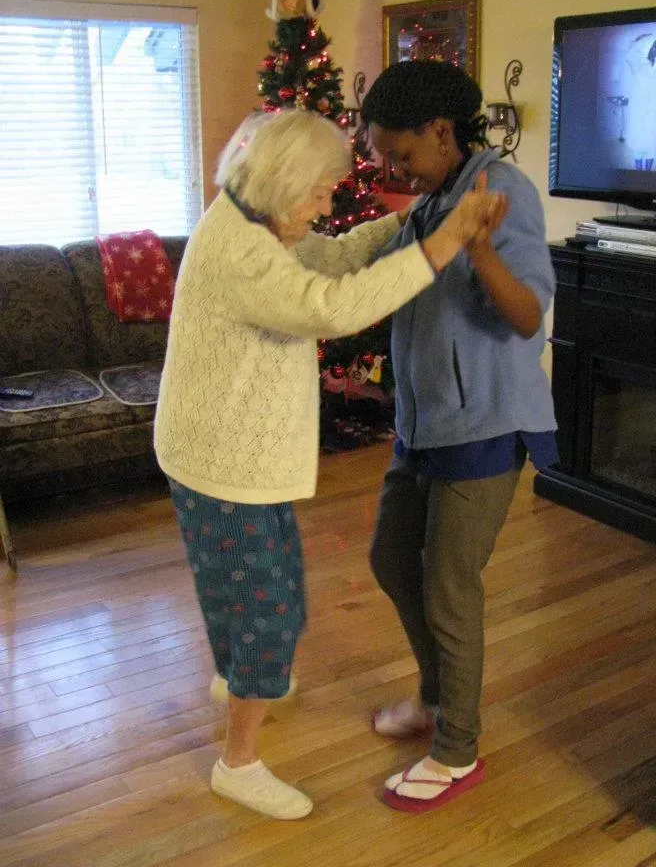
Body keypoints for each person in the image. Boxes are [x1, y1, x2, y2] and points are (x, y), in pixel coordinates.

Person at [153, 107, 506, 821]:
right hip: (223, 465)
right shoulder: (240, 250)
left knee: (252, 588)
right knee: (267, 609)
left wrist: (401, 229)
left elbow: (327, 257)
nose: (325, 206)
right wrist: (437, 245)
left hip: (225, 460)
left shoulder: (248, 221)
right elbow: (332, 305)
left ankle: (241, 678)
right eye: (319, 192)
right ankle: (239, 762)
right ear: (283, 183)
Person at [359, 60, 558, 812]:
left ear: (442, 131)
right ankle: (438, 697)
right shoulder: (430, 202)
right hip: (422, 424)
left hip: (485, 425)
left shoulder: (502, 194)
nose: (389, 167)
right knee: (389, 557)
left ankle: (457, 750)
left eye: (399, 153)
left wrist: (477, 249)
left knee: (449, 584)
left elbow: (527, 317)